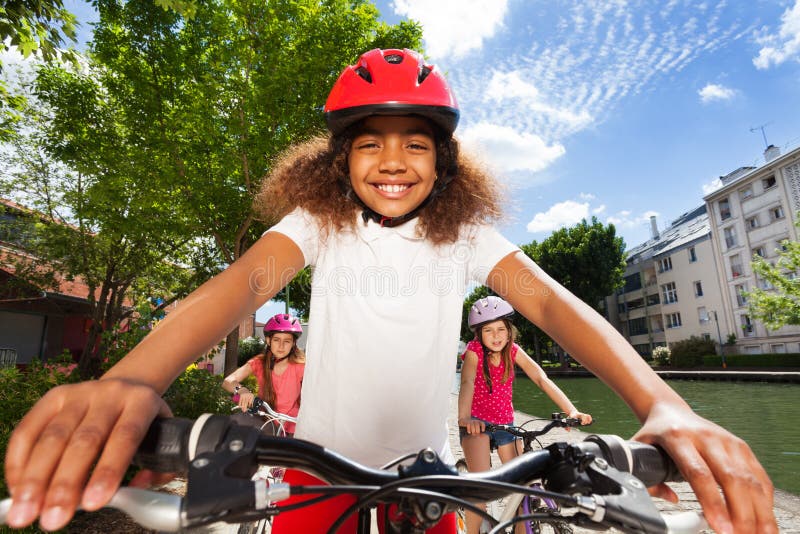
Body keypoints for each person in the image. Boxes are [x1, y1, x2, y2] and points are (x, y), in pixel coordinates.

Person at [4, 48, 775, 534]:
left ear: (446, 163)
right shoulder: (319, 223)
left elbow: (545, 301)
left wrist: (662, 403)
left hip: (429, 473)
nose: (392, 159)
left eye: (416, 143)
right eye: (368, 142)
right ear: (337, 164)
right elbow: (243, 283)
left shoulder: (466, 235)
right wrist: (133, 378)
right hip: (312, 469)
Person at [458, 296, 592, 534]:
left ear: (510, 332)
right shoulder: (474, 352)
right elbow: (467, 381)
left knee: (522, 488)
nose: (496, 335)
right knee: (479, 488)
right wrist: (465, 418)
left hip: (506, 425)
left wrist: (571, 410)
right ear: (478, 334)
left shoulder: (513, 351)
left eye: (501, 329)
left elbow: (542, 378)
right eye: (488, 330)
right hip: (476, 424)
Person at [222, 313, 305, 435]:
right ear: (268, 340)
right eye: (276, 340)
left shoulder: (301, 366)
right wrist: (242, 390)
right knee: (237, 428)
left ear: (293, 343)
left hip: (293, 426)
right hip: (265, 421)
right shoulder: (259, 362)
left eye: (287, 341)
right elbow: (228, 381)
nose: (281, 346)